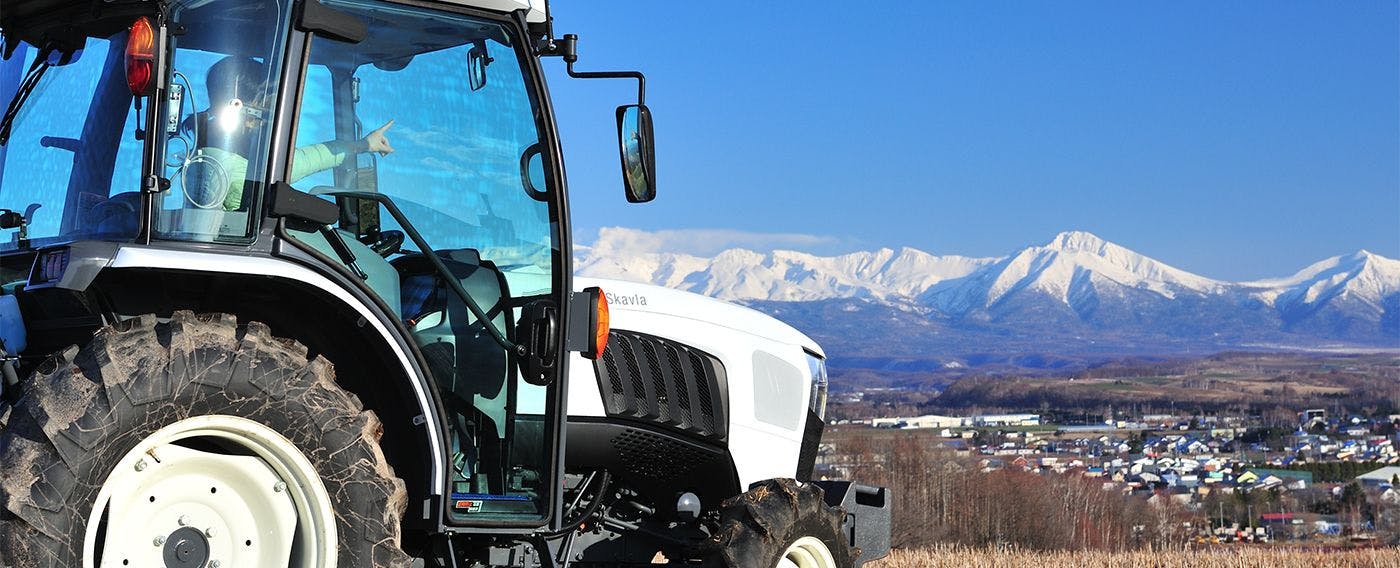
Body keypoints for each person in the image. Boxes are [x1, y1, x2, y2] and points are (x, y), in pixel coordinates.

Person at [190, 56, 393, 211]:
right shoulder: (225, 165)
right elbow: (206, 232)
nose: (267, 117)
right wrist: (362, 145)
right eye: (264, 105)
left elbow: (304, 159)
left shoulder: (219, 154)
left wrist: (363, 144)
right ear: (240, 106)